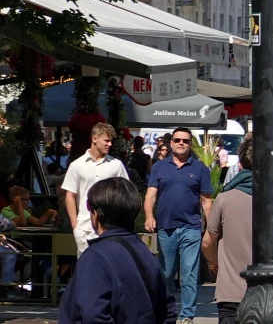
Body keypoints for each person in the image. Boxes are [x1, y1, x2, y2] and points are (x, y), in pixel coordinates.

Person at [58, 178, 174, 324]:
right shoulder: (145, 252)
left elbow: (93, 315)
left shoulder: (95, 257)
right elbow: (167, 310)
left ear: (95, 214)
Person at [144, 127, 213, 324]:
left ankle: (187, 316)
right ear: (171, 143)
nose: (181, 143)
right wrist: (149, 216)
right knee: (166, 273)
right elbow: (150, 195)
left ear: (190, 144)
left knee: (189, 274)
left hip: (191, 228)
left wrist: (211, 228)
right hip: (166, 228)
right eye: (177, 140)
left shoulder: (200, 169)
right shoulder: (159, 167)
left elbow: (206, 201)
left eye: (185, 140)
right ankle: (167, 312)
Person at [203, 134, 253, 324]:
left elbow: (207, 242)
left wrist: (214, 263)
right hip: (266, 293)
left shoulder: (224, 199)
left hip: (230, 291)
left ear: (239, 165)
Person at [61, 122, 129, 255]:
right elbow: (70, 196)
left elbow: (125, 193)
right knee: (87, 270)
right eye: (107, 141)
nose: (109, 144)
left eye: (111, 141)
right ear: (94, 139)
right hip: (85, 229)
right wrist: (76, 226)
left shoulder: (116, 165)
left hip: (111, 229)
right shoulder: (77, 165)